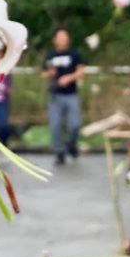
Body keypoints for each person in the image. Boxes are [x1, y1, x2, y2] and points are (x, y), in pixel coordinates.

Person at [40, 27, 86, 166]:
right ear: (55, 40)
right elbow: (43, 73)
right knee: (56, 125)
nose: (62, 40)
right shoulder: (50, 55)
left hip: (71, 94)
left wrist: (69, 78)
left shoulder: (74, 54)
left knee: (75, 124)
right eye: (60, 37)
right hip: (55, 95)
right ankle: (60, 151)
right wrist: (50, 74)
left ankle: (71, 145)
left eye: (64, 37)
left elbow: (82, 72)